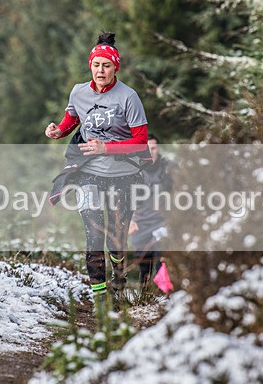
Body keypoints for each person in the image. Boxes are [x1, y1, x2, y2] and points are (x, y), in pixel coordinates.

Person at [45, 31, 149, 310]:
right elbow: (72, 119)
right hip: (88, 173)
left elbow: (140, 141)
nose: (101, 70)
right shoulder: (79, 91)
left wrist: (108, 148)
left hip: (124, 174)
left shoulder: (129, 97)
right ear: (90, 66)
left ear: (116, 67)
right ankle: (101, 297)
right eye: (96, 65)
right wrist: (58, 130)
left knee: (116, 238)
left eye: (106, 65)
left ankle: (118, 275)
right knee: (94, 234)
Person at [128, 134, 172, 290]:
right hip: (140, 225)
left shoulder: (168, 167)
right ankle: (145, 297)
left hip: (162, 223)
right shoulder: (133, 170)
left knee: (163, 261)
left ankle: (166, 296)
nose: (150, 152)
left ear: (158, 149)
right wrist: (129, 221)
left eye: (153, 148)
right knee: (144, 267)